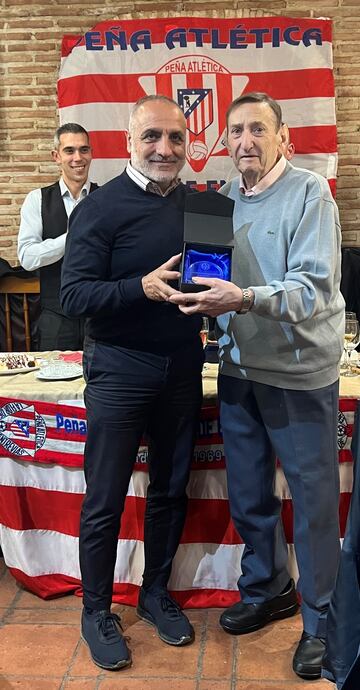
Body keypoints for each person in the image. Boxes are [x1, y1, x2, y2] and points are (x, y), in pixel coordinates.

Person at [169, 91, 345, 681]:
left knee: (314, 505)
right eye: (235, 131)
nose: (244, 141)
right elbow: (210, 281)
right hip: (239, 370)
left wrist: (242, 299)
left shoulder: (309, 195)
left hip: (298, 377)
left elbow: (313, 288)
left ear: (282, 136)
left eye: (257, 130)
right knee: (249, 495)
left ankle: (322, 619)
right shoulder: (219, 204)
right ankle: (269, 587)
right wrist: (195, 302)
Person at [60, 95, 204, 671]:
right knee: (105, 499)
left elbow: (211, 282)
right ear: (129, 142)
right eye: (152, 138)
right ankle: (97, 610)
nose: (164, 149)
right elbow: (73, 296)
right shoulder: (97, 209)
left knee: (171, 490)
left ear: (188, 144)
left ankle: (155, 593)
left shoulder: (204, 206)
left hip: (182, 368)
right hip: (118, 370)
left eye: (174, 138)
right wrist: (136, 288)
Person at [17, 123, 97, 350]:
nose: (78, 157)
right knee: (53, 383)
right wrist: (72, 238)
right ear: (56, 156)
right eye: (69, 150)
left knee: (104, 383)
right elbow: (27, 257)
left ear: (91, 154)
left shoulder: (107, 198)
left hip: (101, 315)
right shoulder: (36, 200)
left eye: (84, 150)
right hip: (55, 317)